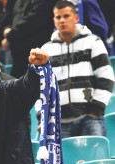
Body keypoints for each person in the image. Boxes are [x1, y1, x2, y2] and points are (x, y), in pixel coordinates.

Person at [41, 0, 114, 138]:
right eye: (58, 17)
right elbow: (41, 88)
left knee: (94, 159)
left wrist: (96, 109)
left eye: (66, 16)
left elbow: (106, 77)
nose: (62, 20)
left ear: (76, 18)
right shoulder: (46, 50)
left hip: (90, 119)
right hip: (59, 122)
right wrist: (43, 118)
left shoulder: (93, 42)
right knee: (65, 161)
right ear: (54, 20)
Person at [1, 0, 54, 78]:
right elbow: (10, 17)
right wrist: (7, 29)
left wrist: (10, 36)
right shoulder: (17, 2)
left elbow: (33, 22)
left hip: (36, 52)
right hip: (17, 53)